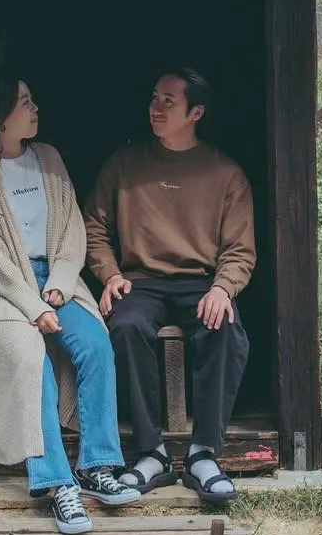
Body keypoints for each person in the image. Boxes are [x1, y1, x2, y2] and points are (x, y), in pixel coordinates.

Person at [0, 73, 140, 535]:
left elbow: (73, 229)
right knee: (28, 358)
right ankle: (59, 485)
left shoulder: (48, 159)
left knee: (95, 344)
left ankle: (97, 467)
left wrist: (58, 282)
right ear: (0, 117)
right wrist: (32, 305)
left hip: (57, 278)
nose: (35, 108)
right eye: (25, 102)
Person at [84, 67, 255, 505]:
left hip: (200, 283)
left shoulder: (225, 173)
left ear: (195, 112)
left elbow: (239, 249)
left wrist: (223, 289)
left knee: (226, 328)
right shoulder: (124, 164)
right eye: (154, 97)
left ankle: (203, 454)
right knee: (123, 327)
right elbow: (94, 228)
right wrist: (110, 275)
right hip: (139, 281)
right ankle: (151, 453)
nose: (155, 108)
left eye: (168, 102)